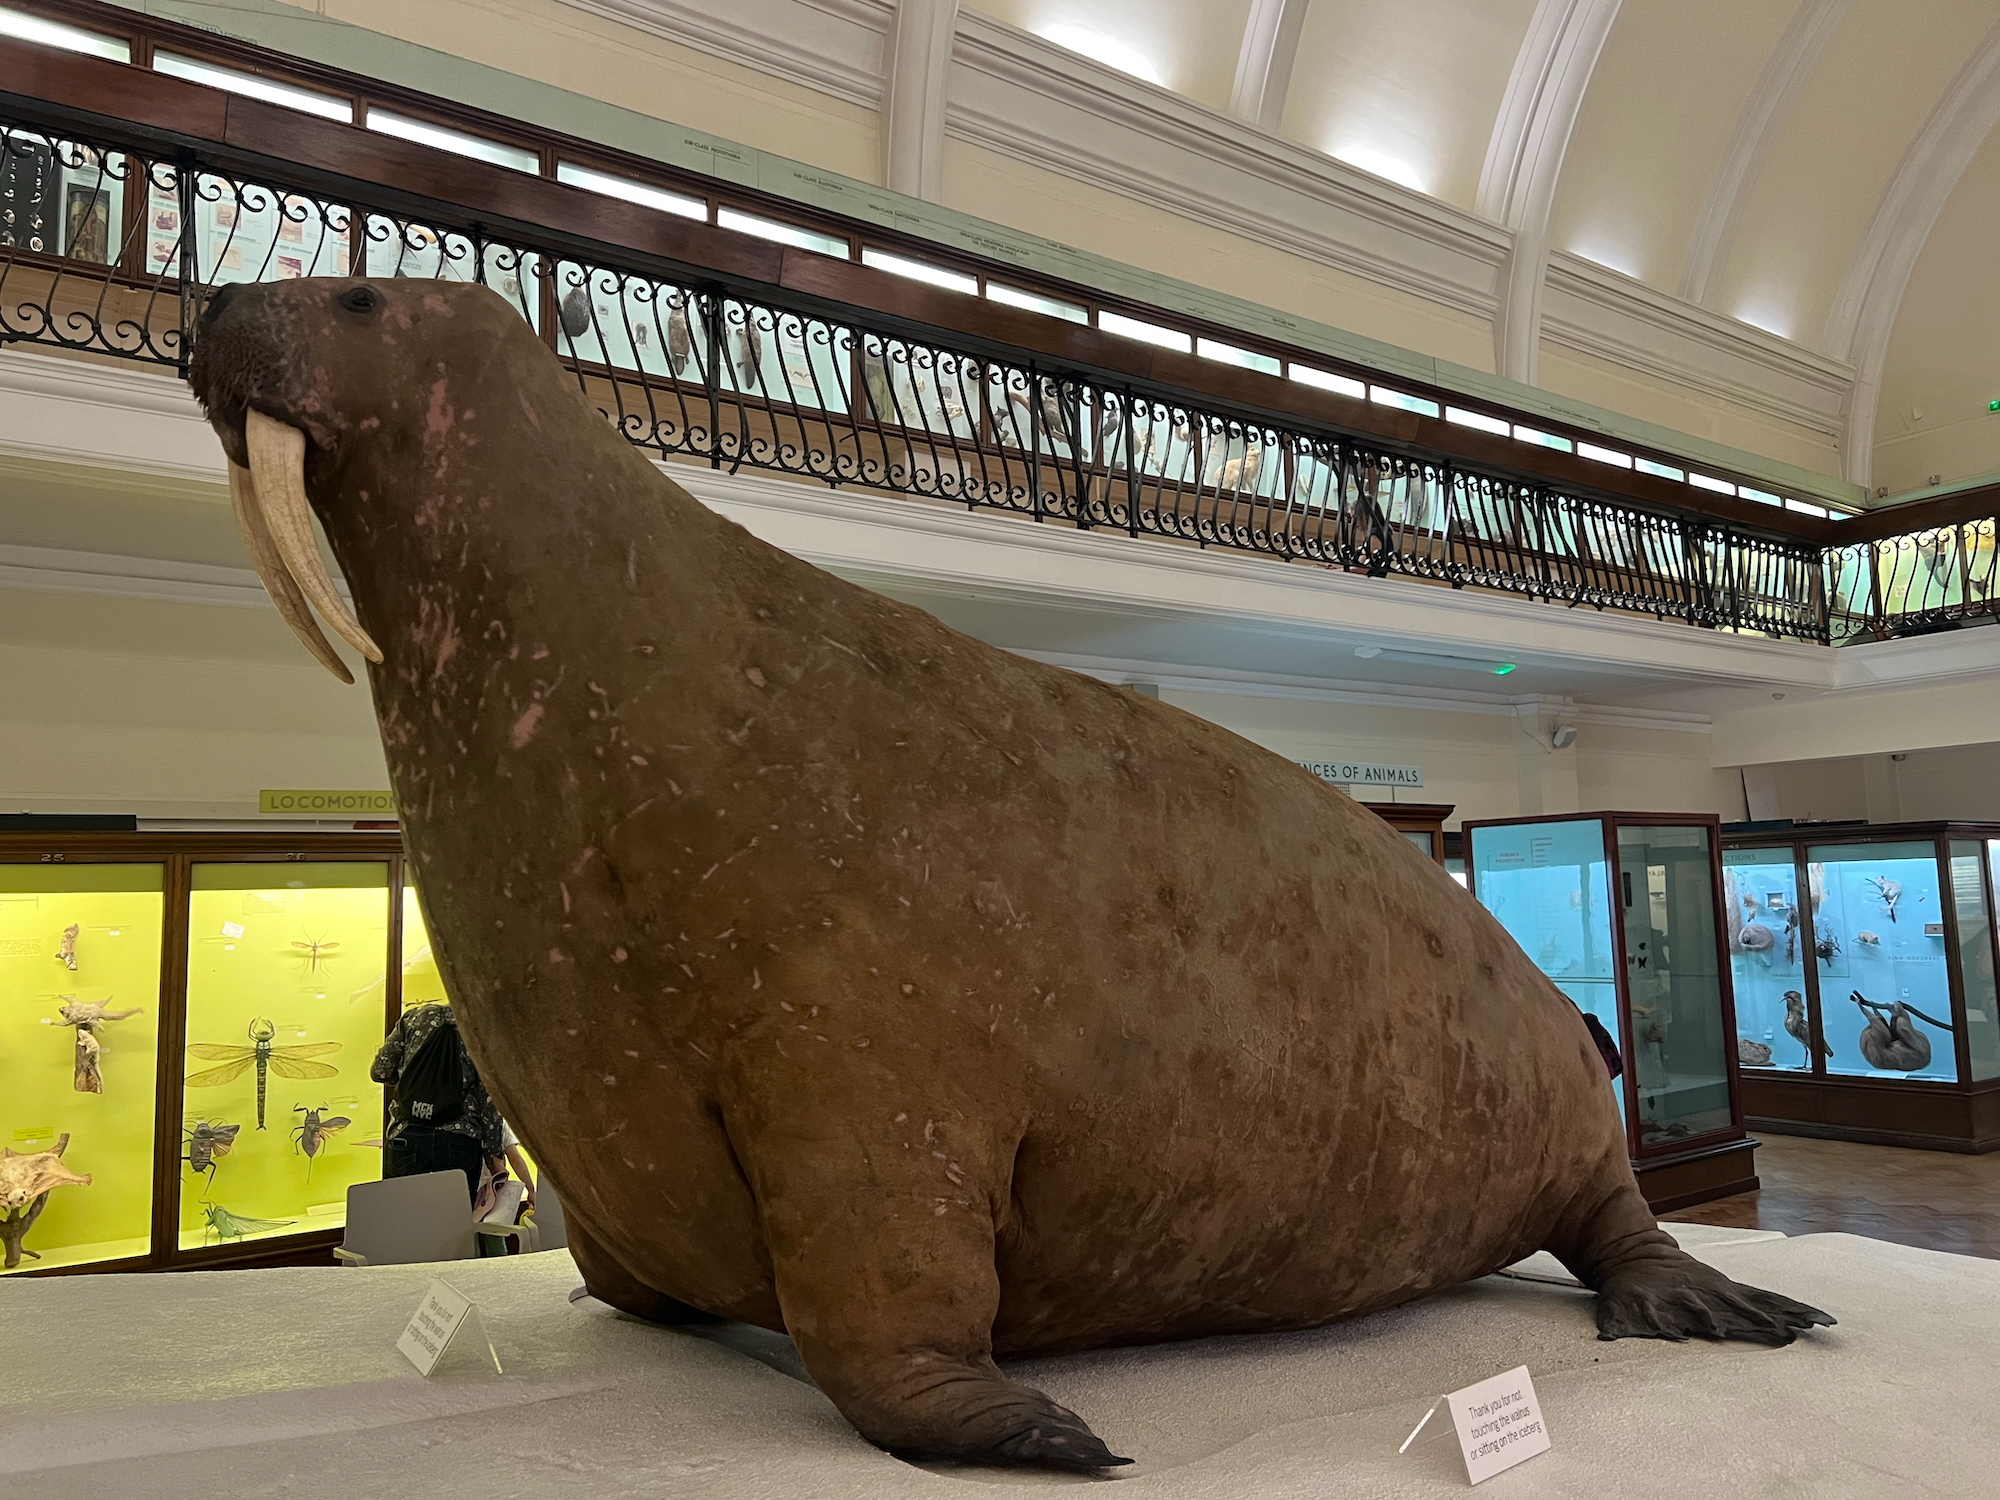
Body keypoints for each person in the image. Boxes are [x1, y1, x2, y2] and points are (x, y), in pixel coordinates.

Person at [370, 1002, 504, 1210]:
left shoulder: (413, 1018)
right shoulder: (478, 1026)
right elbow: (489, 1099)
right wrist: (494, 1154)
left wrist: (413, 1081)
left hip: (407, 1136)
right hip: (459, 1140)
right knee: (453, 1222)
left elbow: (380, 1071)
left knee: (402, 1218)